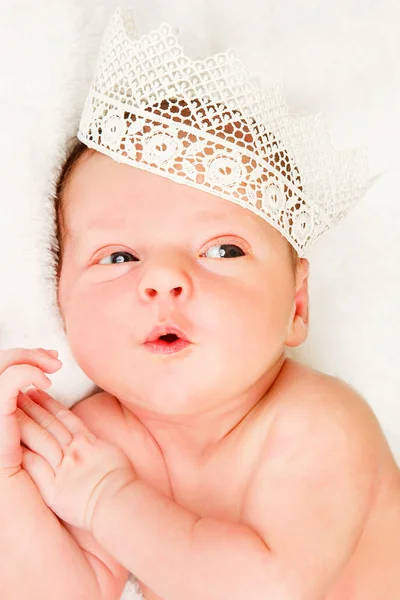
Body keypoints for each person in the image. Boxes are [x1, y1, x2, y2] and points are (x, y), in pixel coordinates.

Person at [1, 7, 399, 600]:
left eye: (222, 249)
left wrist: (107, 499)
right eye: (118, 257)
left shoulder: (318, 424)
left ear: (295, 307)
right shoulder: (99, 438)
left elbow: (268, 589)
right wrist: (7, 483)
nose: (164, 278)